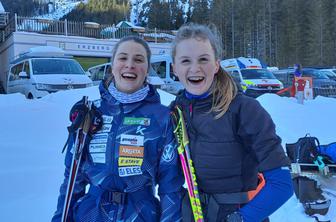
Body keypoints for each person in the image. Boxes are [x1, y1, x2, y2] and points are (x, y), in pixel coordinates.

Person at [52, 36, 184, 222]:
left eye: (138, 59)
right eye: (123, 58)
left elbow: (170, 186)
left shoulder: (162, 118)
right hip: (91, 214)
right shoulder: (90, 113)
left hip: (141, 214)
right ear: (112, 65)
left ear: (147, 69)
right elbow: (72, 180)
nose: (130, 64)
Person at [170, 23, 294, 222]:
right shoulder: (176, 112)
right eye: (185, 61)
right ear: (174, 68)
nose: (195, 68)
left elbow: (282, 184)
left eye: (204, 59)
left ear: (217, 65)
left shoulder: (244, 110)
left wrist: (241, 218)